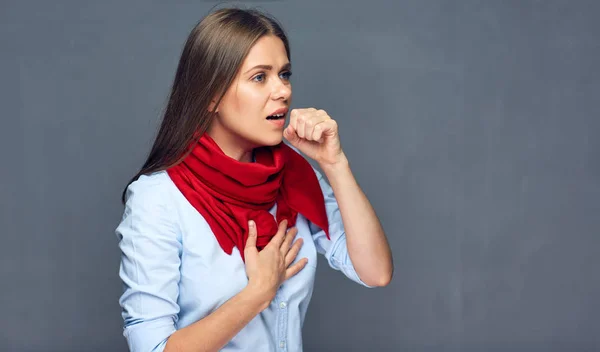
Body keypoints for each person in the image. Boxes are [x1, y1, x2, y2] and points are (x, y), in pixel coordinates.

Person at [115, 7, 393, 352]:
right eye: (260, 77)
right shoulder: (158, 199)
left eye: (285, 74)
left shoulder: (293, 177)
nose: (283, 91)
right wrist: (257, 293)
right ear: (211, 94)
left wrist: (335, 164)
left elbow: (375, 272)